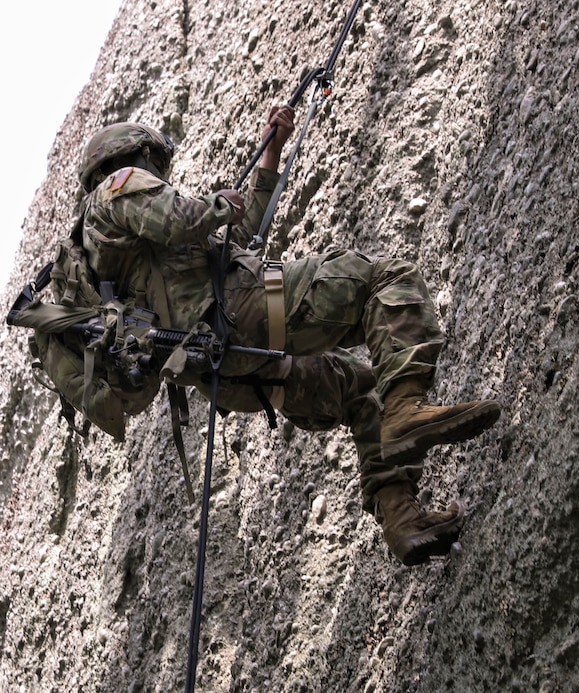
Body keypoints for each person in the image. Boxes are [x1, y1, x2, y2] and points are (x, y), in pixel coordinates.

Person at [73, 106, 500, 564]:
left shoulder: (117, 255)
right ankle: (408, 408)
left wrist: (269, 155)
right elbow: (182, 217)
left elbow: (234, 239)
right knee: (385, 279)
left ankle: (401, 519)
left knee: (360, 392)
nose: (157, 173)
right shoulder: (115, 189)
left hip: (234, 370)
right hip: (247, 314)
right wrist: (215, 204)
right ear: (136, 156)